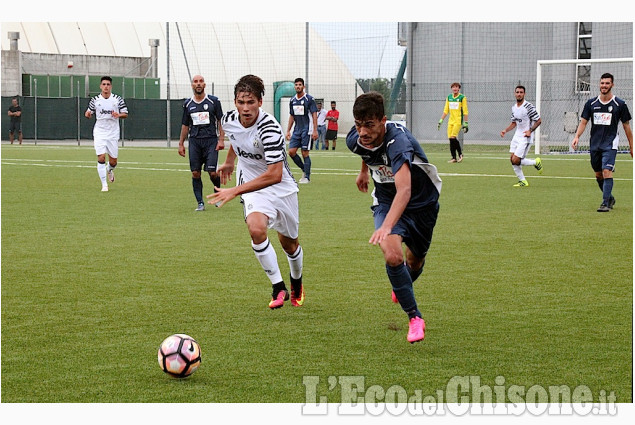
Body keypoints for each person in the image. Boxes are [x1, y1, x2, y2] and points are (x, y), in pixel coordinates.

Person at [347, 92, 442, 344]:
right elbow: (366, 151)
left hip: (422, 202)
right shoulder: (354, 139)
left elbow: (406, 190)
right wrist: (364, 172)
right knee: (392, 254)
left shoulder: (398, 142)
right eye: (358, 125)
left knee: (415, 260)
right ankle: (415, 317)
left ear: (383, 121)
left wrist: (388, 225)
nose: (362, 132)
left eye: (369, 125)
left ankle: (402, 284)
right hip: (386, 200)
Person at [208, 74, 305, 309]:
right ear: (235, 102)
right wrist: (230, 161)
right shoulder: (229, 119)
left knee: (289, 244)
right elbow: (236, 137)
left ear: (260, 102)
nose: (246, 108)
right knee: (256, 228)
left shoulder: (270, 128)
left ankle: (296, 281)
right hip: (252, 186)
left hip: (281, 188)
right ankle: (278, 287)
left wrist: (234, 191)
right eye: (241, 102)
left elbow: (274, 174)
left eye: (251, 102)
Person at [571, 72, 633, 212]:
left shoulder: (620, 104)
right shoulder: (591, 103)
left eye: (607, 83)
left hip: (610, 144)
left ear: (612, 85)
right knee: (598, 174)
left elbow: (626, 126)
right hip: (595, 144)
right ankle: (609, 197)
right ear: (599, 84)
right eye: (602, 83)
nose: (604, 86)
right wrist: (576, 137)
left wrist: (631, 146)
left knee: (606, 171)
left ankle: (605, 203)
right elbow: (583, 122)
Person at [178, 75, 225, 211]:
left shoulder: (213, 101)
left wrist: (221, 139)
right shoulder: (187, 104)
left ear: (204, 85)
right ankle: (200, 203)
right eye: (195, 82)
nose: (198, 84)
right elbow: (185, 125)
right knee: (195, 173)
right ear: (192, 85)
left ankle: (217, 192)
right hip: (194, 142)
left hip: (211, 141)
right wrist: (181, 143)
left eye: (201, 81)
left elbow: (220, 121)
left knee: (212, 172)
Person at [85, 76, 128, 192]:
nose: (106, 87)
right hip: (100, 132)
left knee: (113, 161)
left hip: (113, 133)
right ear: (100, 86)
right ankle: (104, 185)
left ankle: (109, 169)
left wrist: (118, 115)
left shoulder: (117, 99)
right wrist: (88, 114)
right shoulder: (95, 100)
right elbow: (88, 112)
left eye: (108, 84)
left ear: (111, 86)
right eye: (104, 84)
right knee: (101, 157)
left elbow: (125, 113)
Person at [500, 85, 543, 187]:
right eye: (517, 92)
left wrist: (530, 130)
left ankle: (535, 162)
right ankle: (522, 181)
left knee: (516, 160)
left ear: (524, 94)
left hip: (525, 137)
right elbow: (514, 123)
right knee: (512, 159)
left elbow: (539, 120)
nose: (519, 94)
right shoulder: (514, 107)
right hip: (516, 136)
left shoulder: (529, 106)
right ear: (515, 94)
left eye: (521, 92)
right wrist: (505, 130)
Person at [286, 77, 318, 183]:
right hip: (297, 130)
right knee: (291, 152)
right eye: (296, 85)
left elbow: (314, 114)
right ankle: (304, 169)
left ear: (303, 86)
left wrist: (315, 130)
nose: (298, 86)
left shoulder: (309, 99)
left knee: (305, 153)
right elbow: (292, 116)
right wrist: (288, 130)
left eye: (300, 85)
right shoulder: (292, 100)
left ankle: (307, 177)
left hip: (307, 130)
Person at [437, 82, 468, 163]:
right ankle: (453, 157)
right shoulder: (449, 97)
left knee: (453, 137)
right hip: (451, 121)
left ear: (459, 88)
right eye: (453, 87)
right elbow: (446, 110)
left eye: (456, 87)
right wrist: (441, 120)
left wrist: (466, 123)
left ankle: (460, 154)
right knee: (450, 139)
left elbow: (465, 111)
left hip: (458, 120)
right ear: (451, 88)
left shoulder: (462, 97)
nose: (455, 88)